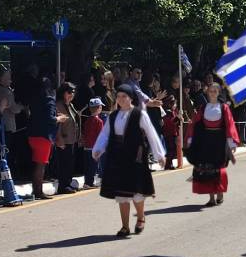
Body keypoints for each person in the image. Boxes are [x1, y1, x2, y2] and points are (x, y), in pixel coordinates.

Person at [92, 84, 166, 237]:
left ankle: (140, 217)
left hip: (135, 157)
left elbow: (151, 134)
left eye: (124, 96)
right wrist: (98, 149)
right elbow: (105, 134)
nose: (120, 99)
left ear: (131, 98)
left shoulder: (140, 114)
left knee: (137, 192)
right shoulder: (113, 116)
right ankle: (125, 227)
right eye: (118, 96)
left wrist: (159, 155)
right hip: (118, 157)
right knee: (121, 194)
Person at [186, 83, 239, 207]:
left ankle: (220, 192)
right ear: (207, 93)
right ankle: (211, 198)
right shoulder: (203, 108)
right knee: (207, 169)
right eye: (211, 91)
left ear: (218, 93)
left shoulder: (224, 107)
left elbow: (229, 124)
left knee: (219, 169)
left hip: (220, 142)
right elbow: (194, 123)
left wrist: (231, 143)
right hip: (206, 141)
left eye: (215, 91)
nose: (213, 93)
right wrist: (190, 139)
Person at [55, 82, 80, 194]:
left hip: (71, 139)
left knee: (69, 163)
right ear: (63, 93)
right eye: (69, 92)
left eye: (73, 92)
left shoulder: (70, 105)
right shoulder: (59, 105)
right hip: (63, 139)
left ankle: (68, 183)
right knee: (63, 163)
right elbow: (58, 124)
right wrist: (59, 138)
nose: (71, 94)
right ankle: (63, 185)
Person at [81, 98, 104, 188]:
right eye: (101, 107)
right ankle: (89, 183)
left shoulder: (87, 120)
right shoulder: (99, 121)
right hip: (95, 147)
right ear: (99, 108)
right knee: (93, 166)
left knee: (87, 165)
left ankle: (87, 182)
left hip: (87, 146)